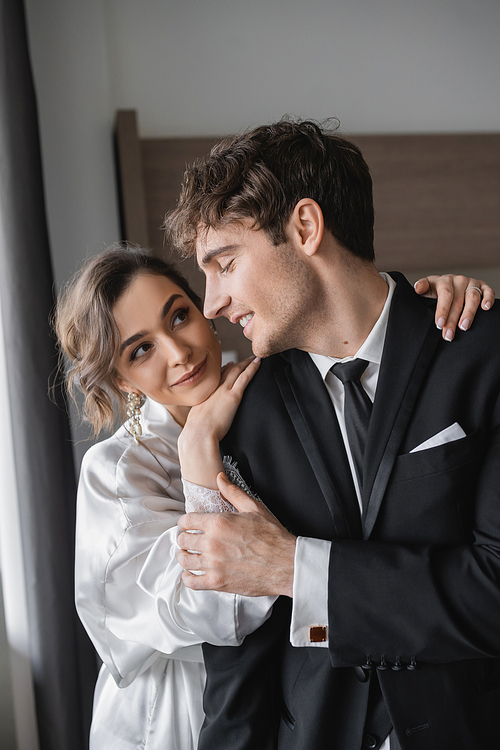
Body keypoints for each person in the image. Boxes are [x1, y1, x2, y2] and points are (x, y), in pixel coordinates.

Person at [167, 118, 500, 750]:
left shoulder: (482, 350)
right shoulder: (240, 411)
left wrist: (296, 569)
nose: (211, 303)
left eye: (226, 264)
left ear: (305, 228)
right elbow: (239, 658)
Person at [54, 246, 276, 750]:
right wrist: (198, 455)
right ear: (120, 380)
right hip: (175, 721)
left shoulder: (272, 389)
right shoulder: (115, 472)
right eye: (140, 350)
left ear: (205, 310)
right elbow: (216, 612)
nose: (178, 353)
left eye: (178, 316)